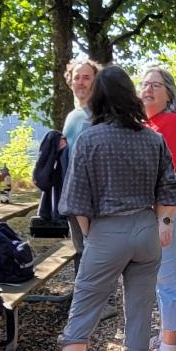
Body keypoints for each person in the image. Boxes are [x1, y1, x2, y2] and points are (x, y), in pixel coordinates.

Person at [34, 65, 176, 351]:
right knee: (140, 310)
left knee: (84, 309)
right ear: (130, 96)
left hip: (107, 230)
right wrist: (162, 221)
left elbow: (74, 199)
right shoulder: (153, 138)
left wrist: (91, 234)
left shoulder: (90, 138)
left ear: (99, 99)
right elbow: (171, 189)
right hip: (146, 231)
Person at [139, 66, 176, 351]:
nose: (147, 89)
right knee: (155, 280)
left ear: (169, 93)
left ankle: (169, 348)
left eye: (155, 86)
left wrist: (166, 220)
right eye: (144, 84)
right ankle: (161, 336)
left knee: (169, 280)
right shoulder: (148, 123)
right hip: (151, 213)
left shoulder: (171, 123)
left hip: (168, 213)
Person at [60, 58, 102, 254]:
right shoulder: (72, 116)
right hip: (74, 197)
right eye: (77, 77)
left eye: (86, 77)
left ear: (96, 81)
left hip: (97, 200)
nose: (81, 82)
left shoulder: (101, 114)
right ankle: (81, 286)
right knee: (80, 252)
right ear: (70, 82)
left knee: (98, 253)